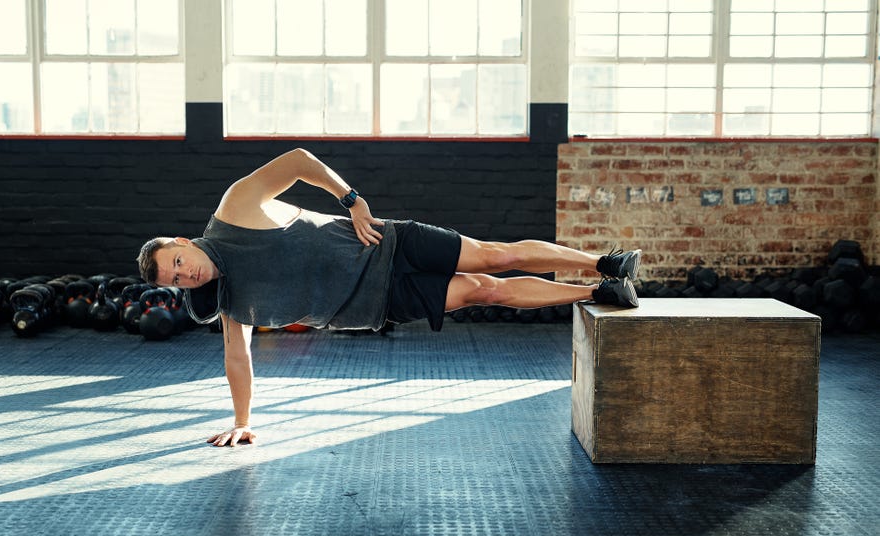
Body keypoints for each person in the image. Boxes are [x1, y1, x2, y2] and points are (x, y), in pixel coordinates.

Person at [137, 149, 641, 447]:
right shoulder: (228, 301)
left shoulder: (233, 209)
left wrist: (351, 200)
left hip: (384, 239)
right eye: (176, 282)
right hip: (377, 301)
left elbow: (296, 162)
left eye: (179, 263)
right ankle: (600, 291)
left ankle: (605, 263)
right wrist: (242, 423)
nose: (187, 275)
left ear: (183, 242)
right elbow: (236, 356)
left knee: (494, 256)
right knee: (487, 291)